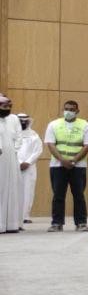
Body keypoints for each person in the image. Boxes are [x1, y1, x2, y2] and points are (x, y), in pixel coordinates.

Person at [44, 100, 88, 232]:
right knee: (58, 195)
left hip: (78, 166)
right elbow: (50, 144)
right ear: (63, 110)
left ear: (77, 111)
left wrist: (74, 161)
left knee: (79, 195)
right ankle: (57, 223)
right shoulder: (54, 124)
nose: (69, 111)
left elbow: (87, 145)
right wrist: (62, 160)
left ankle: (81, 223)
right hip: (57, 165)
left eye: (72, 109)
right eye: (66, 109)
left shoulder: (85, 125)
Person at [0, 95, 22, 234]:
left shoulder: (14, 119)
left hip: (11, 159)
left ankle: (11, 224)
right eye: (4, 106)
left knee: (12, 189)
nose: (7, 109)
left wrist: (14, 150)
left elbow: (19, 136)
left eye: (9, 106)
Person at [17, 113, 42, 225]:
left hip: (29, 168)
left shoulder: (34, 135)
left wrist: (28, 162)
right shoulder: (12, 134)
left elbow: (38, 150)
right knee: (13, 191)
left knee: (28, 190)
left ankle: (25, 216)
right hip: (13, 166)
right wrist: (18, 162)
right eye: (20, 121)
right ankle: (13, 216)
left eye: (25, 121)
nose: (23, 123)